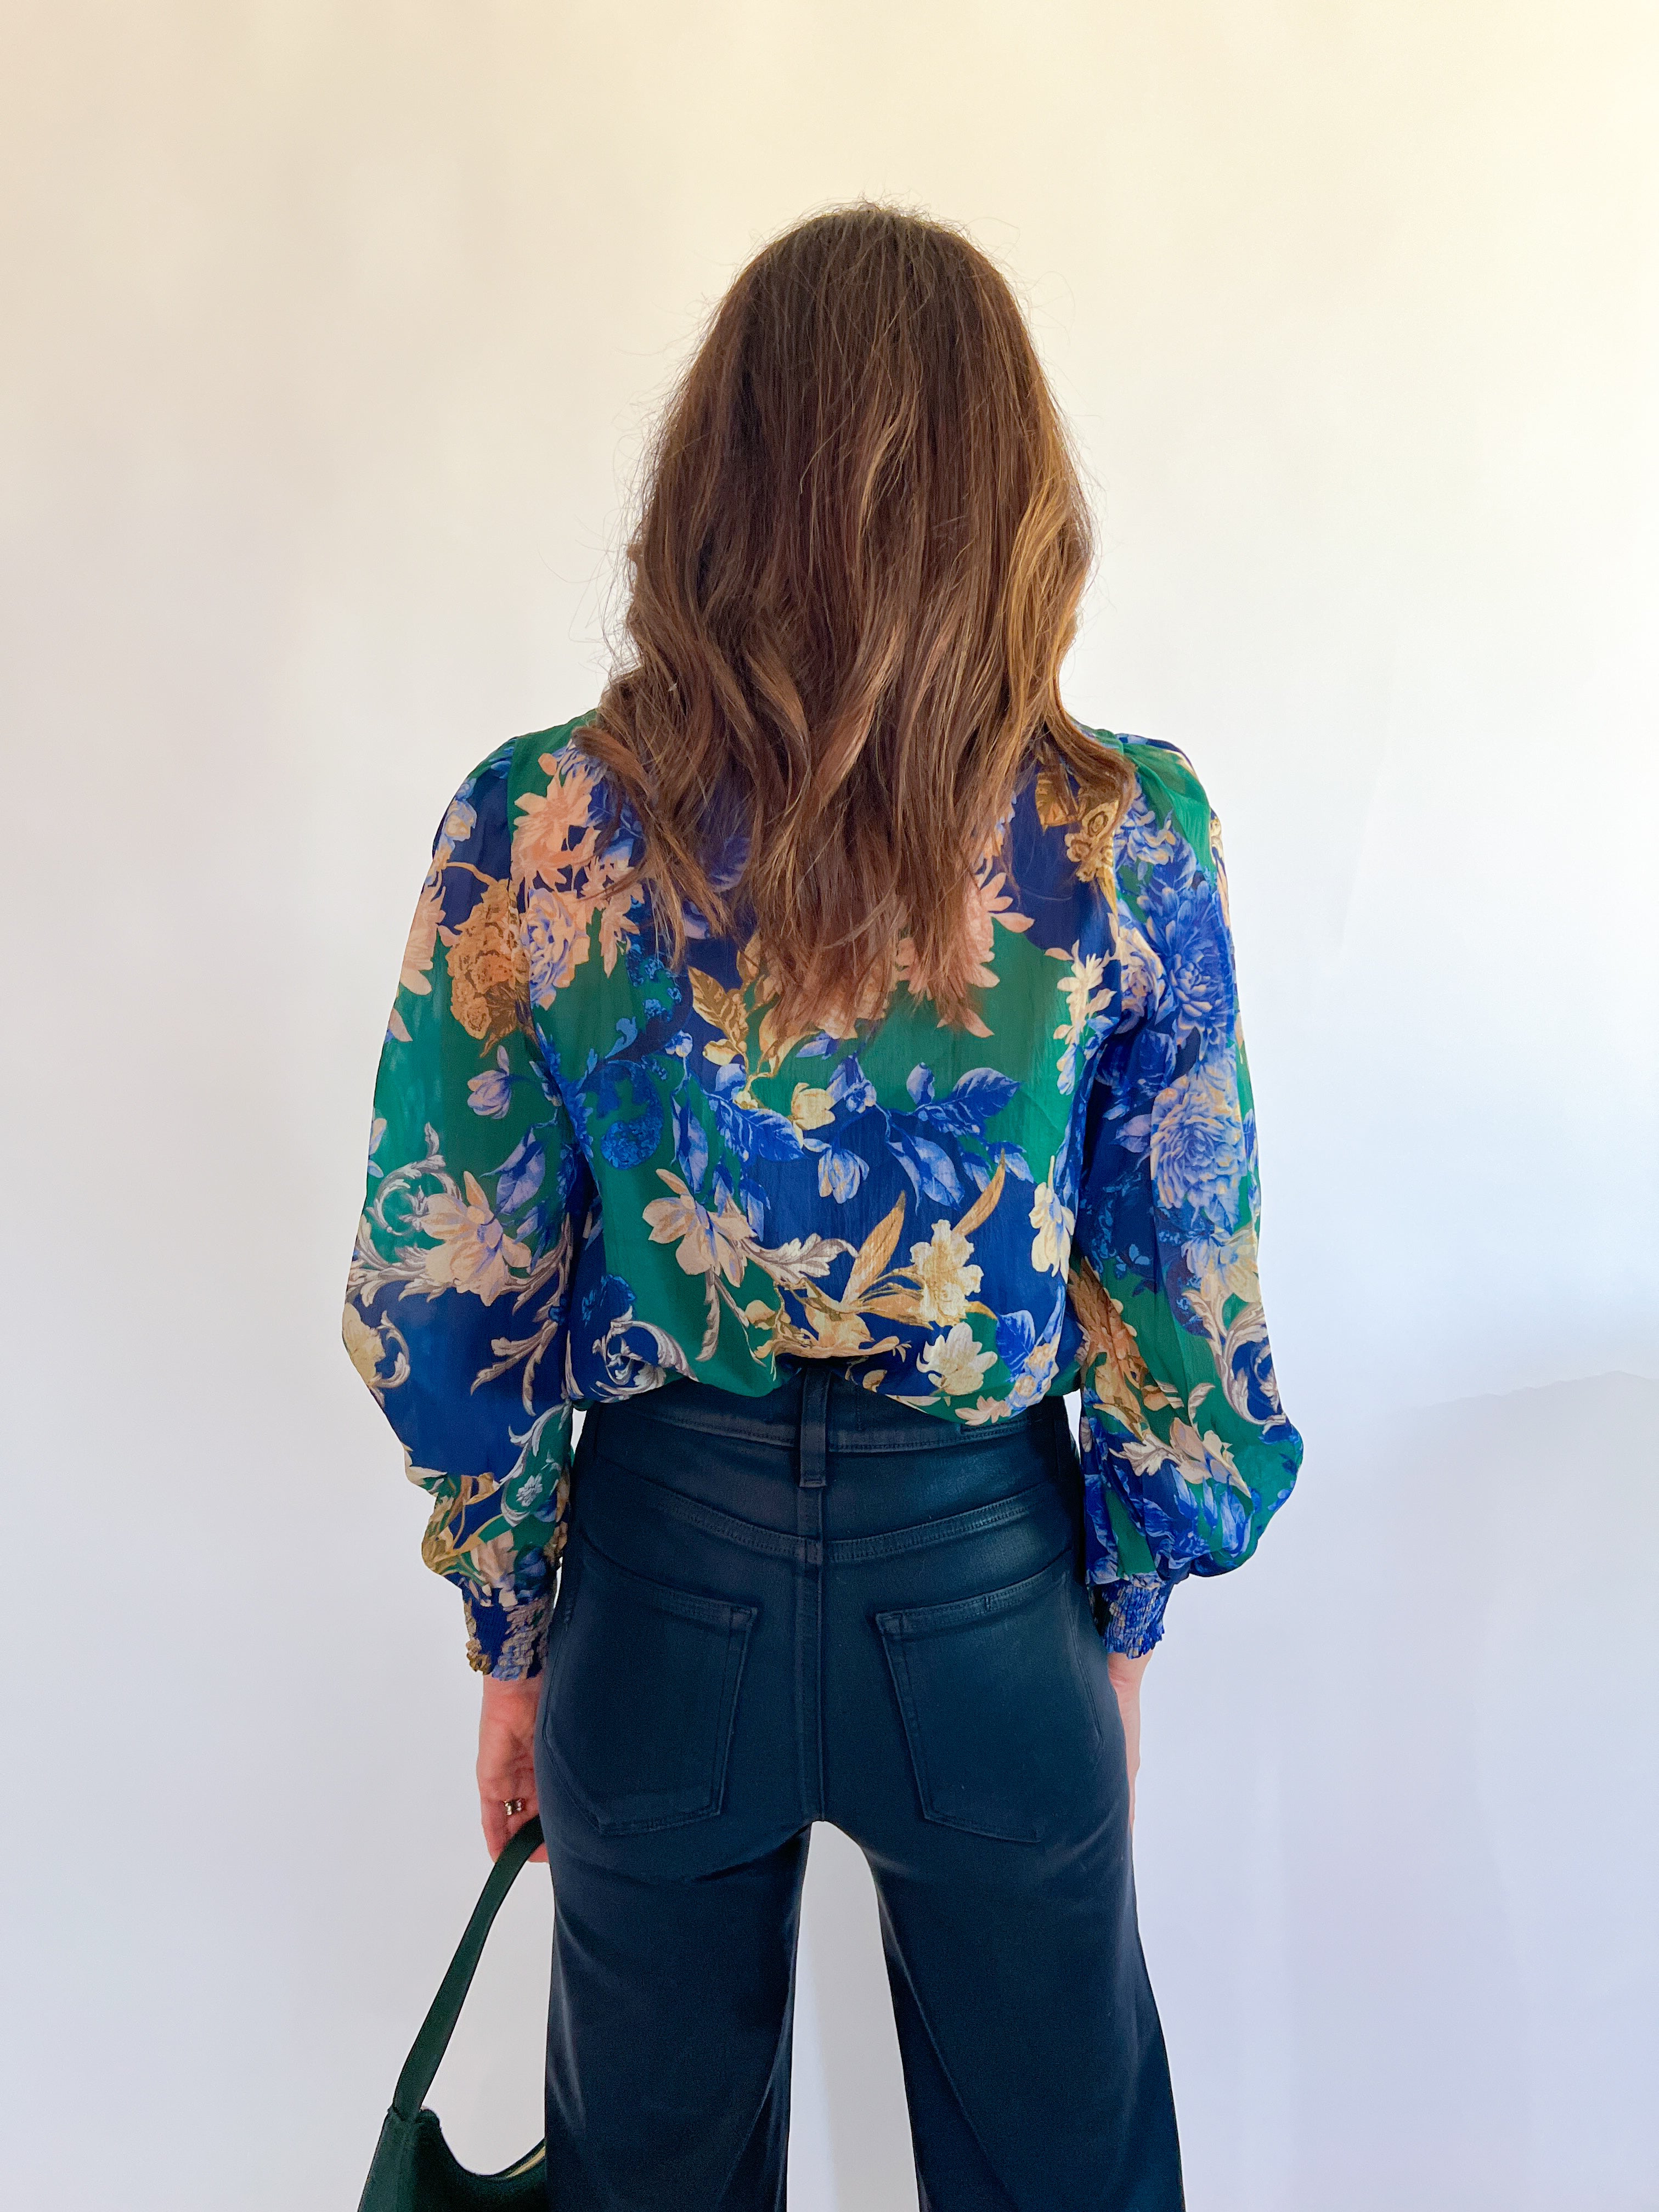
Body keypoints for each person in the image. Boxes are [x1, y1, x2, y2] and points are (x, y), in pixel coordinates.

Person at [342, 200, 1302, 2212]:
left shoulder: (538, 825)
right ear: (1016, 501)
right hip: (984, 1582)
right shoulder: (1125, 838)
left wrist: (513, 1632)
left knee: (646, 2181)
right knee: (1068, 2179)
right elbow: (1184, 1288)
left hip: (656, 1581)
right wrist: (1119, 1630)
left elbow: (448, 1292)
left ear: (711, 478)